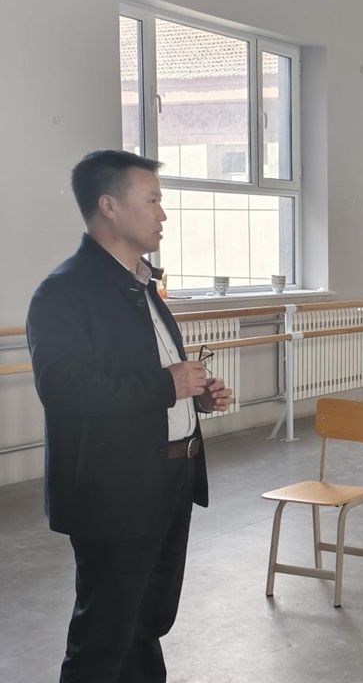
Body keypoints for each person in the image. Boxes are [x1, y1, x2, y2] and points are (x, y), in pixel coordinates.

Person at [27, 150, 234, 682]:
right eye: (153, 200)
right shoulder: (63, 292)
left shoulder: (141, 284)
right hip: (113, 490)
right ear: (109, 206)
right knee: (104, 636)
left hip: (170, 478)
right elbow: (63, 388)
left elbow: (149, 374)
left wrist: (195, 395)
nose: (163, 214)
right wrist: (168, 385)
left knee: (147, 623)